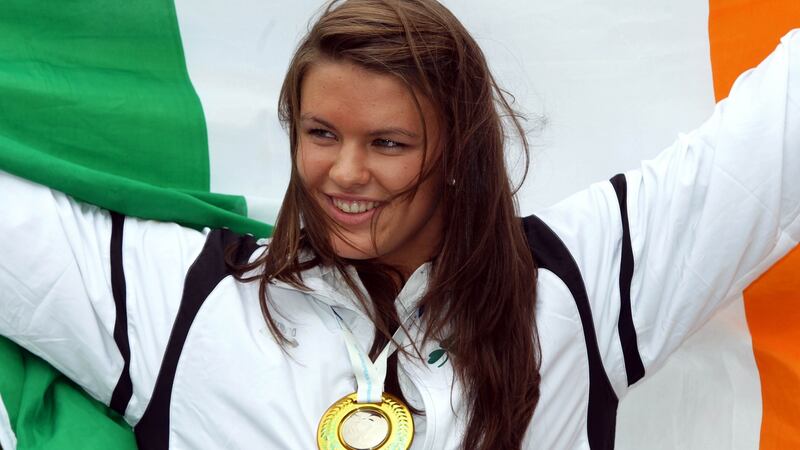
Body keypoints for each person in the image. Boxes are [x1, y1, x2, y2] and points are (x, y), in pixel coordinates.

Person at [0, 0, 797, 449]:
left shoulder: (570, 285)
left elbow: (770, 144)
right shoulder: (187, 299)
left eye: (387, 143)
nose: (345, 174)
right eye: (320, 135)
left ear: (455, 150)